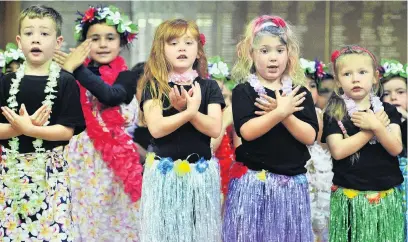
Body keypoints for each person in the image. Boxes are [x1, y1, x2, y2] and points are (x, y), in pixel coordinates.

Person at [222, 15, 317, 242]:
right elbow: (247, 131)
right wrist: (279, 112)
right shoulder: (243, 91)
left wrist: (285, 115)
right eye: (264, 51)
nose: (273, 58)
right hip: (253, 184)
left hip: (290, 187)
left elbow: (310, 136)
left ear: (289, 54)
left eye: (279, 50)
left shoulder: (299, 93)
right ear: (251, 54)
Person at [54, 5, 143, 241]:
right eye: (95, 38)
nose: (103, 44)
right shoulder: (69, 74)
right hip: (78, 157)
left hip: (115, 160)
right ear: (85, 44)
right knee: (81, 218)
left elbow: (111, 95)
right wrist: (68, 70)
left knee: (115, 220)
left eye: (110, 38)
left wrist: (77, 68)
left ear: (122, 42)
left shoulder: (127, 76)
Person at [0, 5, 85, 240]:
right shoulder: (5, 82)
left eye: (44, 34)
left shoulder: (65, 82)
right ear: (19, 40)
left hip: (50, 173)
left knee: (53, 233)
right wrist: (17, 128)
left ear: (58, 42)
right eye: (29, 33)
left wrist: (29, 129)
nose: (36, 39)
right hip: (11, 174)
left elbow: (66, 132)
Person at [138, 19, 225, 242]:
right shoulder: (155, 85)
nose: (182, 48)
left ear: (198, 51)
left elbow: (215, 128)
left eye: (188, 42)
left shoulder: (209, 87)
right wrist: (188, 113)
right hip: (164, 177)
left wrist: (190, 110)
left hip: (200, 177)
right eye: (174, 43)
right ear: (161, 50)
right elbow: (156, 129)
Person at [322, 45, 404, 242]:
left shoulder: (388, 110)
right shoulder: (334, 112)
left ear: (375, 77)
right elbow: (338, 151)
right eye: (347, 74)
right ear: (338, 81)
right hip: (350, 198)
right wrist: (370, 129)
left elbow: (396, 148)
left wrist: (377, 125)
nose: (355, 78)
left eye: (362, 72)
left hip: (385, 198)